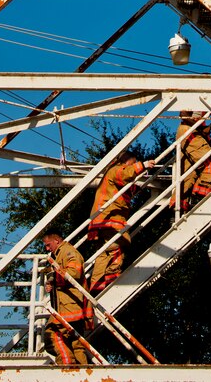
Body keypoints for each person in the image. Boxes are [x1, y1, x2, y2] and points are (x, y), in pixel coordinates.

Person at [87, 151, 155, 294]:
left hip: (102, 220)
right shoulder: (116, 170)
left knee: (102, 255)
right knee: (115, 252)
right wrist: (143, 165)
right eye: (132, 164)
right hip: (109, 221)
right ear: (127, 161)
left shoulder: (112, 177)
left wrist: (142, 175)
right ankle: (111, 286)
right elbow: (125, 174)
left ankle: (96, 288)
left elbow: (128, 187)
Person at [42, 231, 93, 366]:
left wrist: (53, 278)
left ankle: (67, 367)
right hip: (69, 305)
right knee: (76, 344)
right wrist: (51, 283)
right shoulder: (59, 254)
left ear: (57, 241)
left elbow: (74, 272)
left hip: (69, 307)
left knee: (51, 334)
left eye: (48, 245)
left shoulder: (68, 252)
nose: (47, 249)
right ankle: (83, 374)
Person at [169, 111, 211, 213]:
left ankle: (178, 210)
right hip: (190, 131)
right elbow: (184, 113)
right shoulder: (194, 97)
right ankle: (199, 200)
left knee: (188, 175)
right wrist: (198, 126)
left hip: (191, 130)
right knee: (210, 163)